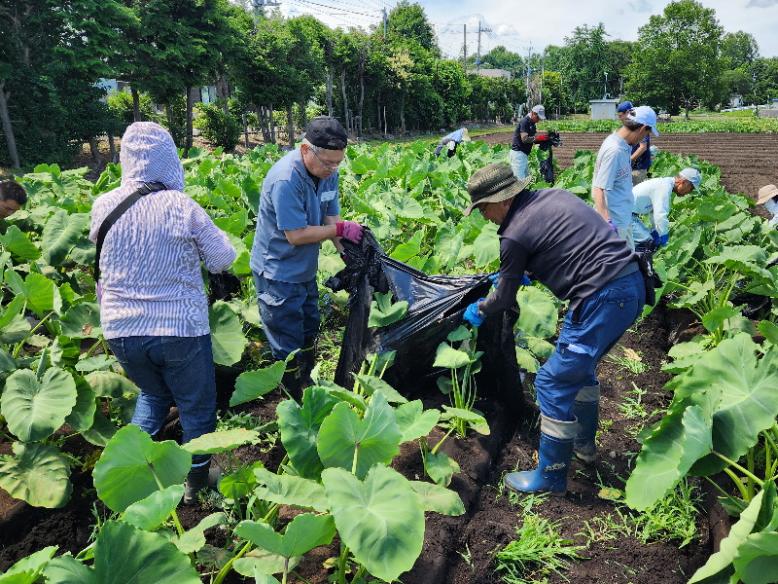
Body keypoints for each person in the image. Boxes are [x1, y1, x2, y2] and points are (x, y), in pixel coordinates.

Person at [461, 163, 645, 495]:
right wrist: (525, 270)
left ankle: (550, 477)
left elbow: (502, 300)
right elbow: (571, 243)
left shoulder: (513, 233)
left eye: (484, 209)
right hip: (631, 285)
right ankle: (584, 447)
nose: (483, 217)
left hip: (601, 297)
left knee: (552, 382)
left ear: (502, 200)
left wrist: (480, 308)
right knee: (580, 370)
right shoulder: (553, 197)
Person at [90, 122, 236, 504]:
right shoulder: (179, 205)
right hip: (178, 328)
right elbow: (223, 258)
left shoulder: (103, 203)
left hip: (121, 328)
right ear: (169, 160)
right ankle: (196, 481)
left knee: (154, 396)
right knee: (195, 406)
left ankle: (130, 475)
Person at [250, 116, 363, 397]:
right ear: (305, 150)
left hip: (304, 269)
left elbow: (331, 215)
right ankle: (292, 394)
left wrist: (348, 253)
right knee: (287, 340)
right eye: (327, 162)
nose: (333, 169)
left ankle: (307, 381)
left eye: (338, 162)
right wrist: (337, 229)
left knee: (310, 326)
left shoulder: (329, 173)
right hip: (277, 272)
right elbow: (296, 235)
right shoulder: (286, 179)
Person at [592, 105, 659, 249]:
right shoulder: (614, 150)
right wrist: (607, 223)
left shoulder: (623, 146)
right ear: (643, 129)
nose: (645, 138)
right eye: (647, 133)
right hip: (616, 224)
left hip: (623, 219)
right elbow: (599, 189)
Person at [632, 168, 701, 251]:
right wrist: (663, 235)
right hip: (623, 215)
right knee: (647, 242)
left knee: (646, 240)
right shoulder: (664, 187)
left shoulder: (664, 184)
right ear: (684, 182)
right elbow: (660, 215)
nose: (689, 192)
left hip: (626, 214)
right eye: (691, 188)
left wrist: (655, 230)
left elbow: (653, 212)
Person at [509, 104, 548, 179]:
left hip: (523, 155)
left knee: (526, 179)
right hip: (518, 154)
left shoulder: (532, 124)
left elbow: (532, 140)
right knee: (519, 181)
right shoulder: (525, 122)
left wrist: (545, 139)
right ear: (533, 113)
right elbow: (525, 139)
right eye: (538, 117)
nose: (538, 120)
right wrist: (537, 138)